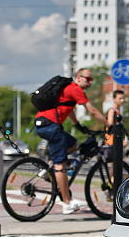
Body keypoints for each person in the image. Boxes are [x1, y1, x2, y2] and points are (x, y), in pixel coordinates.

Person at [34, 68, 107, 214]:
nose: (90, 82)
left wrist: (78, 125)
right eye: (88, 79)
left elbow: (69, 108)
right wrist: (109, 124)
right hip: (50, 125)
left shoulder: (68, 89)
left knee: (73, 144)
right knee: (61, 164)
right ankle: (66, 203)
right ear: (78, 77)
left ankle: (50, 166)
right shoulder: (75, 89)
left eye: (91, 80)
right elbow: (92, 111)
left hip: (44, 123)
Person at [102, 90, 126, 161]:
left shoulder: (117, 111)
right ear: (114, 99)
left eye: (123, 98)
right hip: (112, 141)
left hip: (116, 140)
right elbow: (110, 125)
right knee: (114, 164)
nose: (122, 100)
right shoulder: (112, 111)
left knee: (116, 163)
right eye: (120, 98)